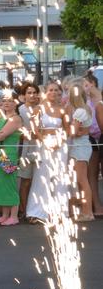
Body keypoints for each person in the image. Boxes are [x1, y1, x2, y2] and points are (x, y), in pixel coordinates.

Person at [26, 81, 68, 224]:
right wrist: (45, 142)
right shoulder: (38, 108)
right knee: (41, 177)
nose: (54, 92)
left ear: (60, 92)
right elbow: (34, 129)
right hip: (43, 144)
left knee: (59, 178)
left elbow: (68, 129)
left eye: (57, 90)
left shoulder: (63, 109)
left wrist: (59, 142)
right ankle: (37, 212)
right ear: (46, 92)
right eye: (51, 90)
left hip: (60, 145)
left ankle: (59, 212)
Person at [0, 91, 23, 225]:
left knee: (10, 183)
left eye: (9, 101)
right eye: (4, 101)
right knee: (0, 184)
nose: (6, 103)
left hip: (8, 154)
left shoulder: (16, 119)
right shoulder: (0, 118)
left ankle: (14, 216)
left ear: (15, 103)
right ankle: (5, 215)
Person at [66, 81, 94, 222]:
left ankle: (87, 212)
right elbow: (81, 131)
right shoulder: (86, 109)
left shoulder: (79, 111)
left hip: (80, 148)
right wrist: (81, 131)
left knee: (82, 180)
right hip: (82, 146)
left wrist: (73, 130)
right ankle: (85, 211)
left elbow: (72, 132)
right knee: (81, 180)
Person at [17, 81, 41, 220]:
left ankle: (35, 210)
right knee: (25, 181)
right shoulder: (20, 110)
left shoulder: (41, 109)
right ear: (24, 95)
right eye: (29, 93)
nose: (32, 95)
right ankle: (24, 210)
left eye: (34, 92)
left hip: (39, 147)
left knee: (37, 181)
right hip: (25, 147)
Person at [83, 73, 103, 216]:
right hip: (88, 138)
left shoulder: (100, 98)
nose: (85, 88)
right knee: (92, 172)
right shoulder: (83, 100)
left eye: (87, 84)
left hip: (100, 136)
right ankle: (97, 205)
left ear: (93, 84)